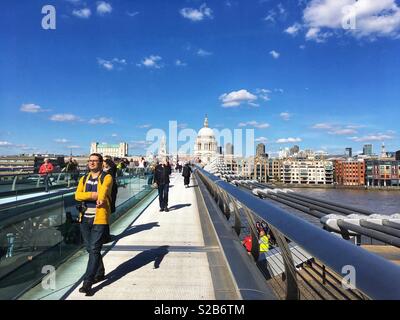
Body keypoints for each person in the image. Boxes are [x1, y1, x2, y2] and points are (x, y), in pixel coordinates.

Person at [75, 153, 113, 295]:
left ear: (101, 163)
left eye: (95, 161)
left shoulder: (106, 177)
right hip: (84, 218)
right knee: (90, 249)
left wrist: (100, 198)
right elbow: (77, 195)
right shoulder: (84, 178)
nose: (91, 163)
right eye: (90, 161)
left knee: (95, 249)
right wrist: (92, 195)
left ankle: (87, 283)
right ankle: (100, 272)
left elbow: (103, 191)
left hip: (99, 218)